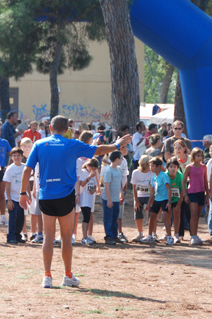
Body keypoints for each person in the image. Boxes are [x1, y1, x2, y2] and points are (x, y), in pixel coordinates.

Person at [18, 115, 131, 288]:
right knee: (65, 237)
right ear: (67, 130)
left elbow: (27, 170)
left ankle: (47, 276)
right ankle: (67, 275)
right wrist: (116, 145)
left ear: (50, 128)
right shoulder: (71, 144)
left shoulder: (39, 144)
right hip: (65, 197)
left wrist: (22, 193)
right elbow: (98, 150)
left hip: (46, 195)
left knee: (48, 236)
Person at [143, 156, 173, 245]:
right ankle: (149, 236)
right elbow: (152, 192)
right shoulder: (154, 177)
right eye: (150, 166)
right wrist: (149, 203)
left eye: (153, 166)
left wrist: (169, 202)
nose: (151, 168)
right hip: (157, 199)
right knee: (152, 217)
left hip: (165, 200)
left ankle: (170, 237)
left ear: (159, 166)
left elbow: (169, 189)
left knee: (165, 217)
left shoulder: (164, 176)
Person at [182, 148, 207, 245]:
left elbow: (205, 181)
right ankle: (192, 236)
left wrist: (207, 194)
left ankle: (195, 235)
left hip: (201, 193)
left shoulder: (204, 167)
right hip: (192, 193)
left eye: (201, 156)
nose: (200, 158)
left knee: (197, 216)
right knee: (193, 214)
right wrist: (185, 194)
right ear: (193, 156)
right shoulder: (189, 167)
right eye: (198, 156)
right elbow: (183, 181)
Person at [101, 151, 125, 245]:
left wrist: (121, 193)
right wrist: (109, 200)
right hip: (108, 199)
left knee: (115, 217)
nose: (122, 160)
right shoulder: (108, 171)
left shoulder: (119, 170)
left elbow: (119, 182)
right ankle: (109, 236)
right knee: (108, 218)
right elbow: (106, 186)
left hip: (116, 198)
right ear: (116, 159)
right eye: (121, 158)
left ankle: (114, 236)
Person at [4, 147, 26, 244]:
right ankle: (11, 236)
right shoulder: (10, 169)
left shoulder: (25, 167)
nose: (16, 157)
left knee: (21, 217)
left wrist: (27, 194)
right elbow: (7, 186)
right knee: (13, 217)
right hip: (12, 198)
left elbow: (27, 183)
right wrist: (9, 200)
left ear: (22, 156)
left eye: (18, 155)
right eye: (14, 156)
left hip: (21, 197)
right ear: (12, 157)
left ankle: (17, 235)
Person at [131, 155, 154, 242]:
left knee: (151, 215)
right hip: (139, 196)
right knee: (138, 214)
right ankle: (140, 233)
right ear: (145, 164)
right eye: (150, 164)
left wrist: (150, 202)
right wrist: (136, 200)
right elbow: (134, 188)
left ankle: (150, 234)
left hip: (148, 196)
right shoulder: (135, 173)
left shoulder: (151, 174)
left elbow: (152, 189)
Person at [78, 158, 100, 245]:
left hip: (90, 198)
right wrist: (90, 177)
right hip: (84, 198)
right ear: (88, 166)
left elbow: (95, 186)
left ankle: (87, 235)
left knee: (89, 216)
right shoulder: (83, 172)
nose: (93, 171)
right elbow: (82, 184)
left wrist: (94, 190)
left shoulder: (95, 174)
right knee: (86, 217)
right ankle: (84, 237)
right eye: (92, 168)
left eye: (95, 169)